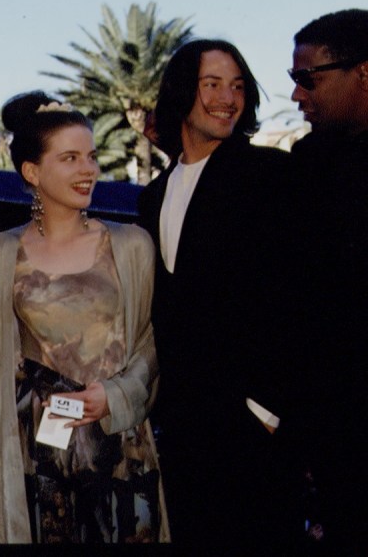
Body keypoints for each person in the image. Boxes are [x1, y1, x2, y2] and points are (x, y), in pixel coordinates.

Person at [0, 92, 165, 544]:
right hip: (39, 454)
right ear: (32, 172)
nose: (88, 170)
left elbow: (151, 341)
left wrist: (116, 395)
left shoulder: (132, 244)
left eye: (92, 156)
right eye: (70, 158)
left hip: (121, 443)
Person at [136, 39, 295, 546]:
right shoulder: (154, 195)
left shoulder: (269, 175)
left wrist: (268, 409)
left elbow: (299, 297)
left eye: (238, 86)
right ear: (183, 90)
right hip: (183, 427)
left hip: (252, 425)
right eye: (212, 84)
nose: (228, 98)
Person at [287, 9, 368, 548]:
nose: (298, 96)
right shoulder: (308, 163)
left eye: (308, 79)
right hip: (333, 443)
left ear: (366, 72)